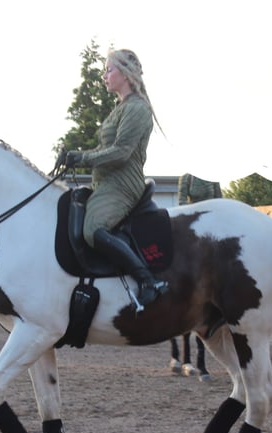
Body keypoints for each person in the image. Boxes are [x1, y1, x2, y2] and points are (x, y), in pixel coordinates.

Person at [61, 48, 167, 307]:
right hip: (105, 183)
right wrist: (75, 156)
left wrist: (82, 159)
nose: (104, 76)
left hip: (121, 186)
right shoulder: (120, 108)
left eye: (109, 70)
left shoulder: (138, 109)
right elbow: (103, 150)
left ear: (127, 74)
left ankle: (147, 280)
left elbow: (121, 153)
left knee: (93, 229)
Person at [169, 173, 222, 382]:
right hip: (192, 227)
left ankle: (201, 361)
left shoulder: (214, 176)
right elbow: (182, 203)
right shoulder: (187, 177)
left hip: (209, 228)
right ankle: (181, 357)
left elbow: (220, 202)